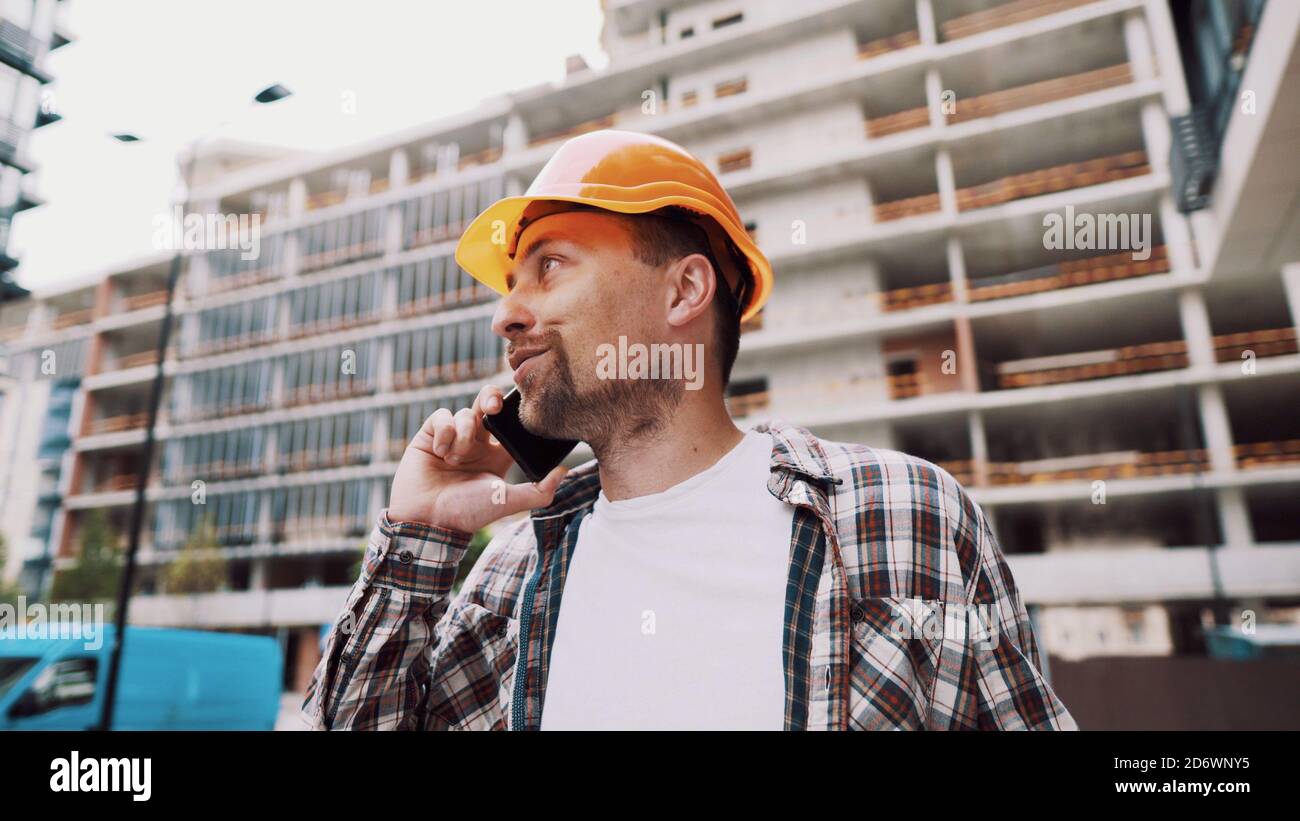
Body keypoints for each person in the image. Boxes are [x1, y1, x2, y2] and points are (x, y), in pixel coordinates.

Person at [301, 129, 1078, 730]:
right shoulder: (513, 577)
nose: (505, 313)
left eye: (550, 267)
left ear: (684, 291)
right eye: (512, 284)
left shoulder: (905, 521)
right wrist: (418, 535)